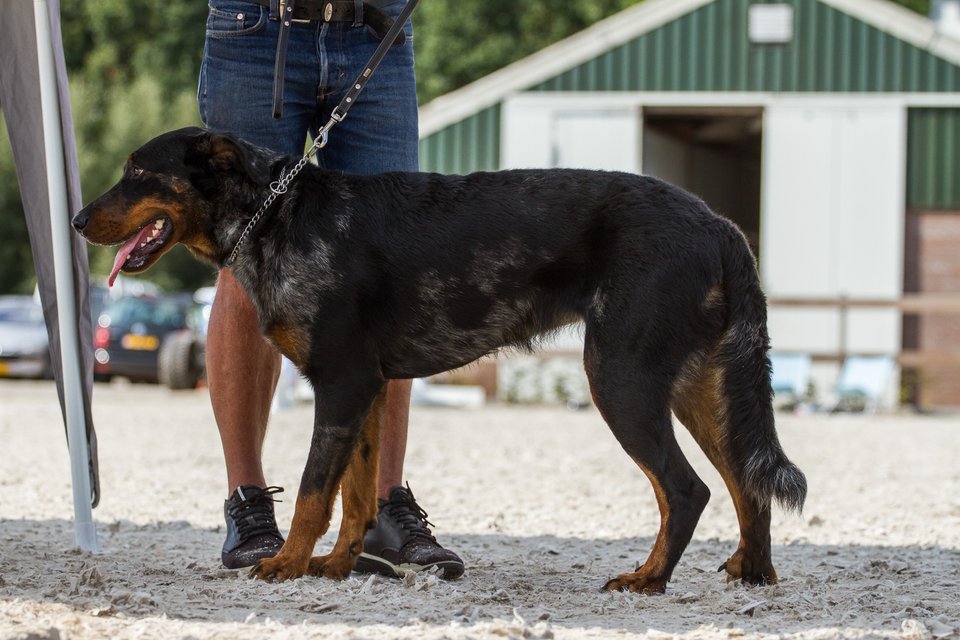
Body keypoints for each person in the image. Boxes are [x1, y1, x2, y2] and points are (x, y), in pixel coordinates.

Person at [197, 0, 463, 579]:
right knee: (245, 259)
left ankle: (383, 510)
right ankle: (248, 505)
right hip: (255, 29)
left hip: (377, 27)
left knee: (392, 270)